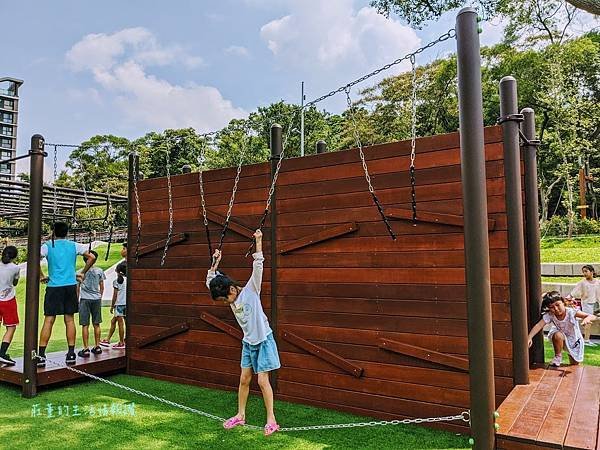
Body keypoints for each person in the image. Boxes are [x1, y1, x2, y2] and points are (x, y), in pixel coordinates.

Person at [206, 229, 281, 437]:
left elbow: (258, 265)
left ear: (231, 290)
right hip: (248, 343)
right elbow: (210, 280)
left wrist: (259, 240)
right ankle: (240, 415)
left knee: (262, 381)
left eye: (223, 300)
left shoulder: (251, 290)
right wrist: (215, 261)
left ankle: (271, 420)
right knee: (244, 379)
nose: (224, 303)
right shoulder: (226, 291)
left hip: (263, 340)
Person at [39, 222, 96, 366]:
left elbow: (34, 257)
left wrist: (41, 275)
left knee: (49, 320)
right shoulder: (73, 245)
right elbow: (92, 257)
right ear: (67, 232)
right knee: (69, 320)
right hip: (70, 286)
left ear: (53, 231)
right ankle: (71, 354)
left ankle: (41, 355)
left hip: (54, 287)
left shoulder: (47, 245)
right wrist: (82, 273)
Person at [528, 291, 597, 367]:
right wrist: (529, 337)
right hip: (561, 338)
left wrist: (587, 319)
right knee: (557, 334)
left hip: (574, 341)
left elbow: (592, 316)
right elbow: (539, 325)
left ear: (563, 302)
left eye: (557, 305)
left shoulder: (571, 312)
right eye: (552, 307)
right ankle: (558, 356)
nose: (556, 309)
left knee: (574, 365)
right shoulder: (551, 315)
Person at [76, 250, 105, 357]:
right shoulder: (99, 271)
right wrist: (100, 296)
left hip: (84, 299)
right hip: (96, 299)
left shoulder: (79, 272)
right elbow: (102, 286)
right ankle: (97, 346)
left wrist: (76, 301)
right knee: (96, 323)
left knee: (85, 324)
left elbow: (77, 289)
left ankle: (86, 348)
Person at [568, 265, 600, 346]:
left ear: (592, 272)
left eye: (586, 271)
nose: (584, 273)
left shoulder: (598, 282)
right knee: (588, 321)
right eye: (583, 272)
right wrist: (568, 299)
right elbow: (573, 292)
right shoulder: (582, 282)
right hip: (587, 304)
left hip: (597, 304)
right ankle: (586, 340)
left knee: (592, 319)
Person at [0, 246, 20, 365]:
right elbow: (15, 283)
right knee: (11, 327)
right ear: (15, 256)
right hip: (8, 300)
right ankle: (2, 353)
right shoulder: (15, 268)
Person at [100, 262, 126, 349]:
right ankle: (107, 339)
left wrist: (112, 306)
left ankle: (122, 342)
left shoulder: (116, 282)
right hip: (127, 305)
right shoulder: (129, 280)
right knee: (113, 321)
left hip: (119, 305)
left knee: (120, 324)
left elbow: (115, 296)